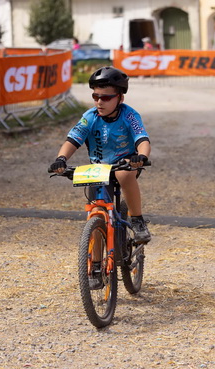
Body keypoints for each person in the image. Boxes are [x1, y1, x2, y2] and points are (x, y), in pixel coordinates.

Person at [49, 67, 152, 243]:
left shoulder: (130, 115)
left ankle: (137, 220)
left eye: (105, 98)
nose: (99, 102)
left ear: (120, 98)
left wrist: (141, 156)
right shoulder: (90, 117)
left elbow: (142, 139)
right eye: (95, 97)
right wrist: (61, 159)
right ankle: (95, 258)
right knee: (97, 212)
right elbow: (72, 141)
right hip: (99, 168)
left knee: (123, 174)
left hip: (126, 162)